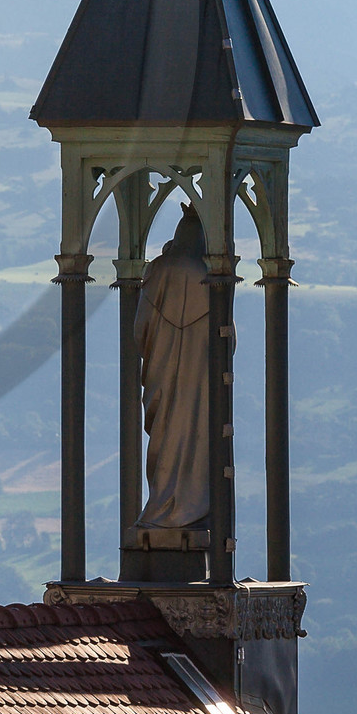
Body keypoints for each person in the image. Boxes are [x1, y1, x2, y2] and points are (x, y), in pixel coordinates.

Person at [132, 204, 212, 542]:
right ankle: (191, 510)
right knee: (197, 438)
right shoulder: (210, 273)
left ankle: (161, 508)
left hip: (160, 378)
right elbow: (227, 340)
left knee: (164, 438)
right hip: (201, 385)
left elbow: (139, 332)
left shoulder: (158, 271)